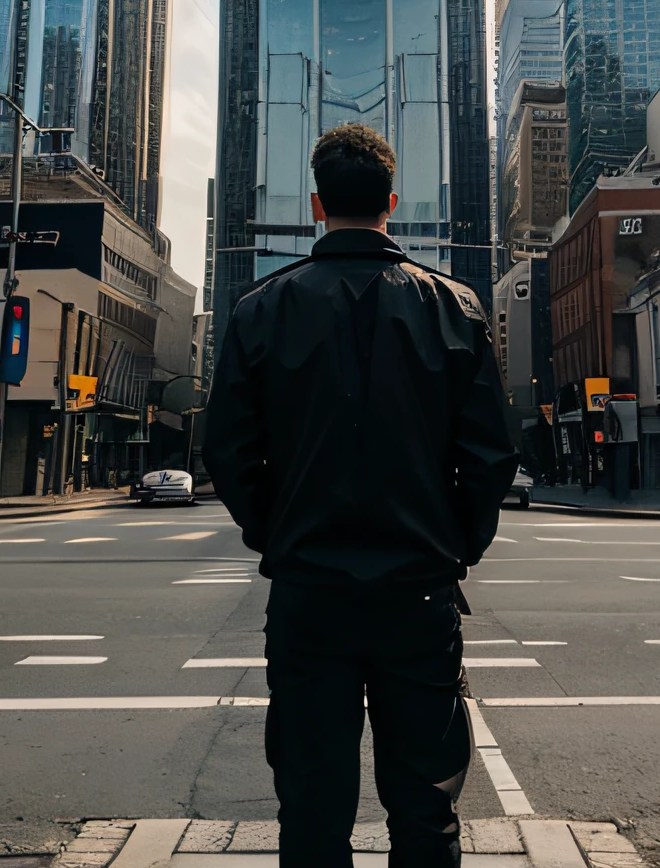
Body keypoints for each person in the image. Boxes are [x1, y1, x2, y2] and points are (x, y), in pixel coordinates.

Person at [204, 123, 517, 868]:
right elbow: (491, 456)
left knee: (311, 805)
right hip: (418, 588)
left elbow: (228, 450)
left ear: (318, 204)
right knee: (426, 803)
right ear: (393, 202)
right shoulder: (456, 307)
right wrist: (456, 545)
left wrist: (274, 534)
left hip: (310, 588)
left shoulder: (259, 308)